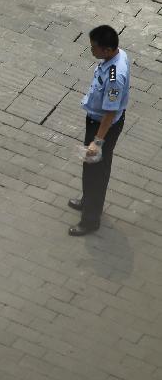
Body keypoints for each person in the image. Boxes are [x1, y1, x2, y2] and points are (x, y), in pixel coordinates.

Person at [68, 25, 130, 236]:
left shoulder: (115, 77)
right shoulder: (117, 56)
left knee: (96, 172)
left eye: (94, 47)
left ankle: (90, 220)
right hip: (97, 121)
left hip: (103, 126)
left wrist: (98, 141)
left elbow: (110, 113)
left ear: (107, 49)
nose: (91, 51)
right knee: (90, 167)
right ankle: (88, 201)